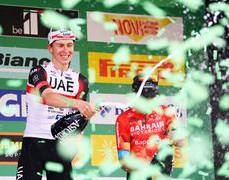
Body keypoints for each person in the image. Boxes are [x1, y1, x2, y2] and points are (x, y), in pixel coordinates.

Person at [16, 29, 96, 180]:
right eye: (60, 45)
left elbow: (80, 118)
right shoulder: (38, 71)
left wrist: (87, 113)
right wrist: (78, 103)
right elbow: (48, 97)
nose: (66, 50)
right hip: (34, 141)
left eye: (69, 45)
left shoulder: (81, 80)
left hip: (61, 145)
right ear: (50, 48)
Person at [115, 75, 183, 179]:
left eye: (152, 97)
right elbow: (124, 161)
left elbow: (181, 142)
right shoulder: (124, 119)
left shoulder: (167, 113)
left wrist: (177, 139)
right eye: (145, 98)